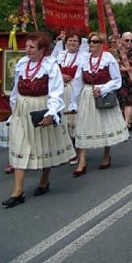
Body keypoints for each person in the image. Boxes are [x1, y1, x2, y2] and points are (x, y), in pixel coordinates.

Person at [3, 32, 75, 208]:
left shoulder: (50, 66)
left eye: (31, 47)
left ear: (42, 50)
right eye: (26, 46)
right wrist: (14, 111)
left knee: (43, 144)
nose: (27, 50)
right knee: (20, 145)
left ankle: (44, 179)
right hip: (22, 108)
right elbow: (15, 90)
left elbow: (56, 92)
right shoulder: (21, 64)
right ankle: (17, 191)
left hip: (40, 107)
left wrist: (51, 113)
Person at [70, 32, 128, 176]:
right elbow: (78, 81)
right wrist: (73, 101)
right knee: (83, 126)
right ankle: (82, 161)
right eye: (90, 41)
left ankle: (106, 154)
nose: (91, 44)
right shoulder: (84, 59)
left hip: (103, 94)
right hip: (87, 94)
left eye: (95, 42)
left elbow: (117, 80)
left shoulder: (108, 59)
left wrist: (103, 89)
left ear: (101, 44)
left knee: (105, 124)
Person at [52, 30, 87, 165]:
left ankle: (79, 152)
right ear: (65, 43)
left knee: (76, 121)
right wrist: (61, 76)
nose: (72, 43)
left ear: (79, 44)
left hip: (76, 91)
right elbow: (53, 71)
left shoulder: (83, 57)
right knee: (65, 121)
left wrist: (74, 79)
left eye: (75, 41)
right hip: (62, 91)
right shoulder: (60, 56)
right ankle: (69, 150)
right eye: (70, 40)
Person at [114, 31, 132, 132]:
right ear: (122, 41)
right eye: (127, 40)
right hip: (118, 80)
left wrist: (126, 69)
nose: (129, 42)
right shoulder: (116, 52)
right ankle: (127, 121)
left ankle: (126, 123)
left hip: (131, 81)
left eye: (131, 40)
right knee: (121, 101)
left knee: (129, 102)